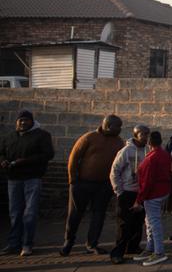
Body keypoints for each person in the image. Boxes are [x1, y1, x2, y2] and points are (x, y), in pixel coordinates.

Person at [61, 114, 125, 256]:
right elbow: (74, 157)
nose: (120, 129)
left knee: (98, 215)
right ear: (108, 125)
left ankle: (92, 244)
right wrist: (73, 180)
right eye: (118, 126)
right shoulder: (89, 137)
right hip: (82, 183)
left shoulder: (119, 142)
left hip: (104, 186)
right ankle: (68, 242)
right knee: (75, 214)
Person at [0, 110, 54, 257]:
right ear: (16, 122)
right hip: (13, 179)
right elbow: (1, 152)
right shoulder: (9, 137)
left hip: (32, 178)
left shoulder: (42, 135)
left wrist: (26, 161)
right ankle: (13, 244)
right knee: (15, 213)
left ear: (31, 122)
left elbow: (48, 154)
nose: (23, 123)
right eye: (20, 120)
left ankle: (27, 244)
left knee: (29, 213)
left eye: (26, 120)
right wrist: (3, 161)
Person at [109, 124, 150, 264]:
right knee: (124, 223)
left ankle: (133, 247)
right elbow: (114, 171)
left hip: (140, 193)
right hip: (126, 192)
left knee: (138, 222)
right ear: (136, 135)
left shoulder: (148, 150)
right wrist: (119, 191)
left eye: (147, 134)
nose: (146, 137)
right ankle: (117, 252)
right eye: (143, 134)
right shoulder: (126, 151)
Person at [132, 131, 172, 267]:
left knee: (153, 223)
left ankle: (159, 252)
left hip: (153, 194)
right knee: (149, 221)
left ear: (148, 143)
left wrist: (139, 199)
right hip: (163, 191)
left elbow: (147, 182)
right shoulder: (164, 154)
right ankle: (150, 248)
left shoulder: (151, 159)